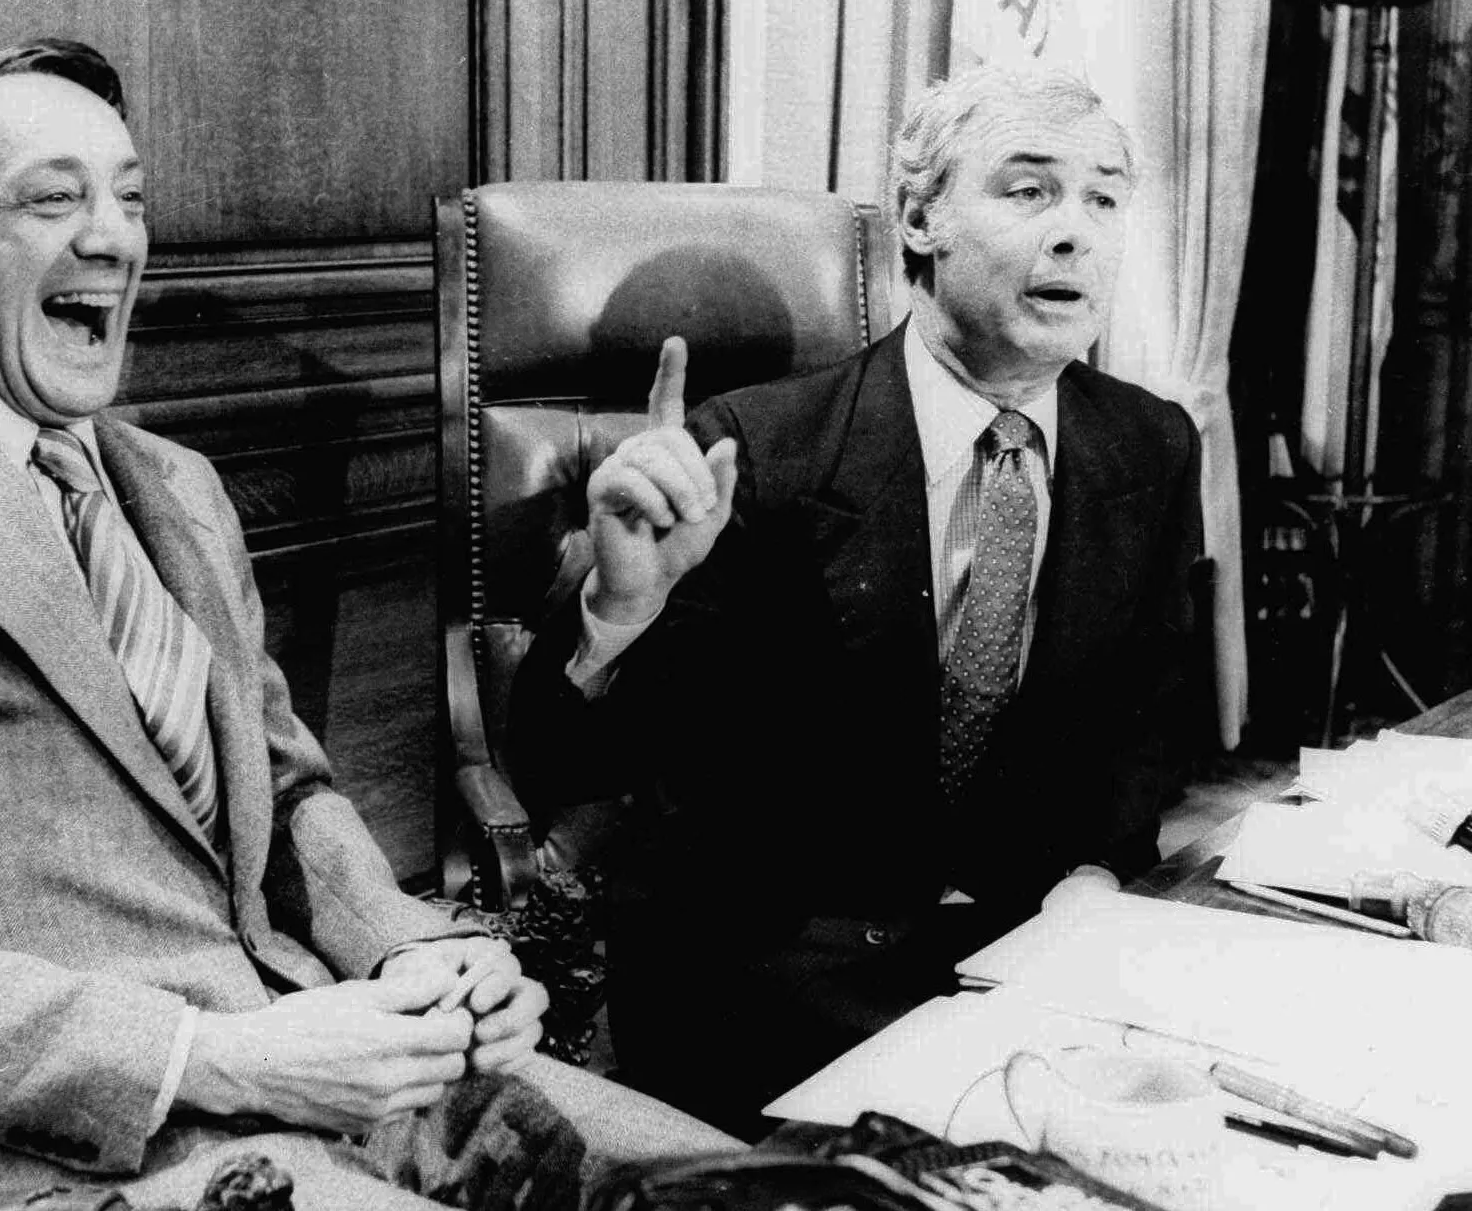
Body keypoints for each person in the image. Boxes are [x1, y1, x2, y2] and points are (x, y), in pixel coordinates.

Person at [0, 39, 737, 1210]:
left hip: (330, 1062)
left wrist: (416, 951)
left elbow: (288, 789)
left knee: (766, 1190)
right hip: (72, 1150)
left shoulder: (178, 487)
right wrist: (214, 1055)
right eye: (54, 199)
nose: (114, 238)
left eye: (128, 199)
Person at [507, 66, 1203, 1138]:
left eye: (1102, 197)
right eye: (1028, 190)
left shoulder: (1151, 442)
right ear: (920, 218)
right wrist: (619, 605)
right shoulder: (752, 451)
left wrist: (1094, 879)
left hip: (1045, 946)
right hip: (782, 973)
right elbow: (568, 775)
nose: (1076, 231)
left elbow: (1148, 714)